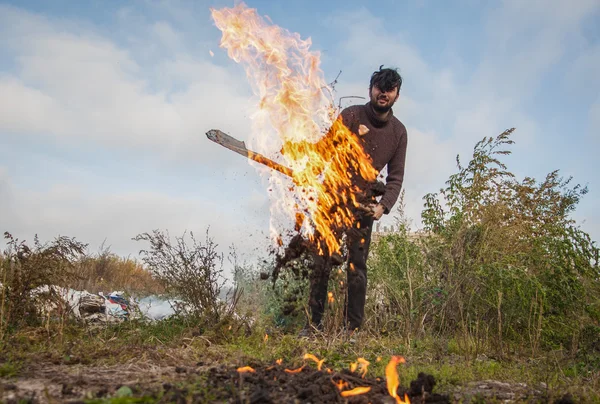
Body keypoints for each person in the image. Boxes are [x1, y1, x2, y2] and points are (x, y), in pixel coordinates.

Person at [303, 66, 408, 337]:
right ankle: (313, 326)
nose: (383, 93)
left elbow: (395, 177)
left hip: (364, 205)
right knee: (322, 259)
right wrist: (308, 170)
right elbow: (325, 150)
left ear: (396, 95)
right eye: (379, 87)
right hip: (334, 198)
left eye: (389, 89)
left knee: (357, 267)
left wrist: (383, 205)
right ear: (371, 89)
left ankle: (352, 330)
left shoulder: (398, 133)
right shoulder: (350, 116)